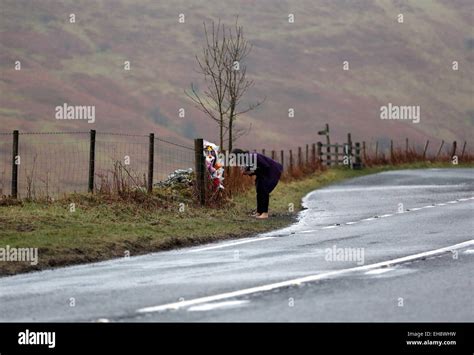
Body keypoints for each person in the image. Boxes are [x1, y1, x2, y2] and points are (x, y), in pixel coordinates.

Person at [233, 149, 283, 219]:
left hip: (272, 171)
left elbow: (265, 167)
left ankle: (265, 213)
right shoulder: (247, 159)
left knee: (264, 190)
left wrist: (252, 172)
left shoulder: (252, 157)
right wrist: (249, 172)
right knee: (259, 190)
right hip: (263, 173)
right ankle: (259, 212)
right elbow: (255, 169)